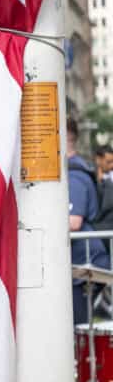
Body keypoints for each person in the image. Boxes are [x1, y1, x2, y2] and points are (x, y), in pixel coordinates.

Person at [67, 118, 110, 325]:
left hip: (85, 264)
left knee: (77, 327)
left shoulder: (74, 174)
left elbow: (73, 222)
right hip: (80, 263)